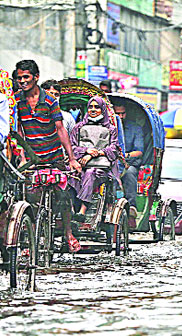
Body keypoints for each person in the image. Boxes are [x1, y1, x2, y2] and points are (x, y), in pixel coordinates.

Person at [14, 59, 82, 252]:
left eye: (26, 77)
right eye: (19, 78)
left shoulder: (50, 101)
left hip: (54, 156)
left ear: (36, 78)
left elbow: (60, 129)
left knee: (63, 196)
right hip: (31, 158)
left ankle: (68, 234)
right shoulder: (16, 100)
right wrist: (22, 155)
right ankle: (31, 240)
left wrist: (71, 158)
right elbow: (17, 130)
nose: (22, 81)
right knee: (30, 198)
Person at [68, 96, 121, 221]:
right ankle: (70, 209)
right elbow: (71, 147)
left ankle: (82, 211)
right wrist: (86, 151)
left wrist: (94, 153)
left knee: (90, 173)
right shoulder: (78, 127)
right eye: (90, 107)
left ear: (102, 109)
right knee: (69, 173)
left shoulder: (111, 129)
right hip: (80, 164)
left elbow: (114, 149)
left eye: (96, 107)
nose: (93, 110)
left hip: (101, 169)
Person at [114, 104, 144, 211]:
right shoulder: (107, 127)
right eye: (117, 114)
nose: (120, 117)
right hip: (110, 162)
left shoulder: (135, 128)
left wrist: (125, 156)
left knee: (130, 173)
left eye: (123, 113)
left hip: (128, 163)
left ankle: (132, 207)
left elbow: (139, 151)